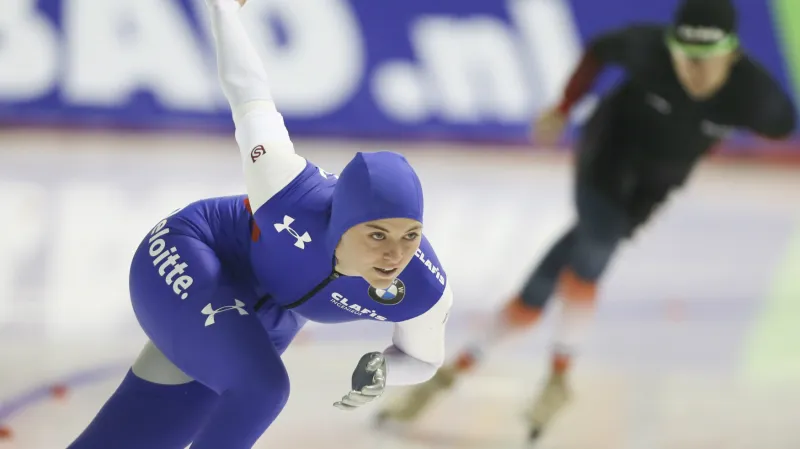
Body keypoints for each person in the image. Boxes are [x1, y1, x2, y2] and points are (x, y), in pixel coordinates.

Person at [375, 0, 796, 442]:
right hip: (606, 156)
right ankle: (559, 374)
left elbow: (781, 130)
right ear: (671, 47)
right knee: (596, 244)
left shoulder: (759, 99)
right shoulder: (647, 48)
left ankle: (455, 372)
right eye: (685, 57)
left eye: (706, 60)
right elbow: (598, 49)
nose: (694, 71)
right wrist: (563, 107)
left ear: (732, 54)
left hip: (653, 187)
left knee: (548, 281)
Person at [66, 0, 453, 448]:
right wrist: (224, 10)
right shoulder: (287, 187)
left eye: (411, 236)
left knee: (146, 434)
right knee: (261, 389)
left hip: (271, 313)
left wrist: (385, 369)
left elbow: (423, 360)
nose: (395, 254)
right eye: (377, 235)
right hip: (193, 252)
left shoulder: (423, 289)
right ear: (341, 223)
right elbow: (248, 91)